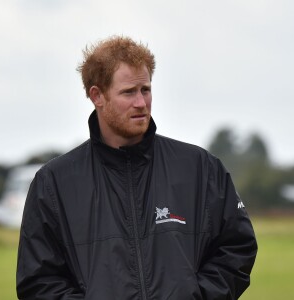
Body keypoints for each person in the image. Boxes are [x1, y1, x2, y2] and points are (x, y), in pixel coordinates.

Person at [16, 36, 257, 300]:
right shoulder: (54, 184)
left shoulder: (201, 168)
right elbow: (38, 281)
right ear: (97, 95)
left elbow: (237, 247)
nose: (141, 103)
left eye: (145, 89)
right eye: (128, 92)